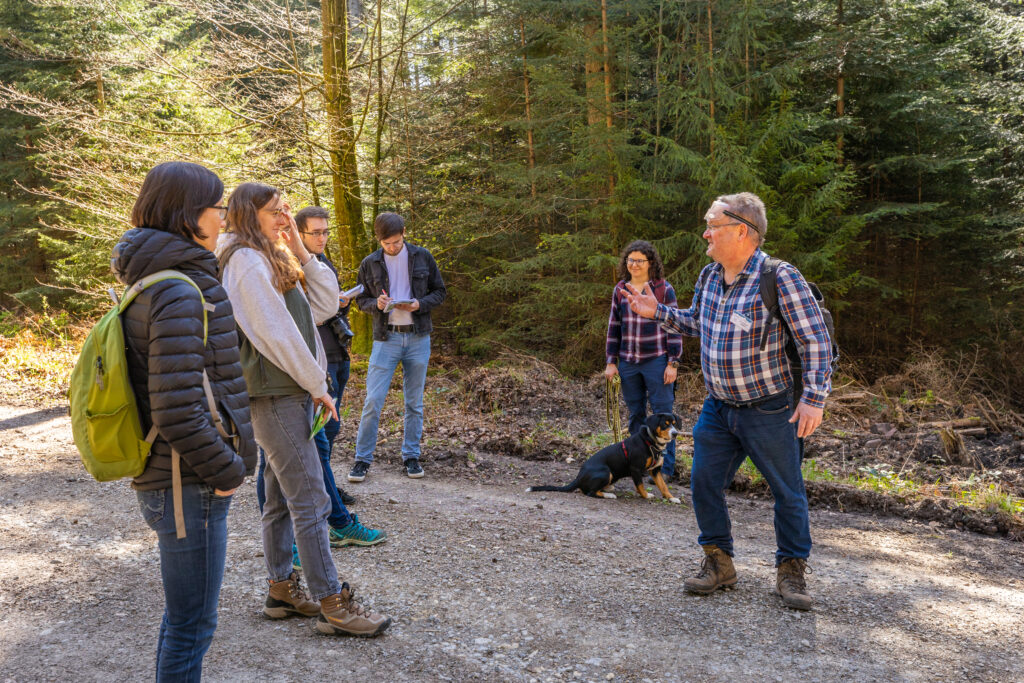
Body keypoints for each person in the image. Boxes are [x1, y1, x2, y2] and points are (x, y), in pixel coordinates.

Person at [625, 192, 833, 611]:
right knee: (703, 483)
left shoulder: (779, 277)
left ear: (742, 231)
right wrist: (658, 312)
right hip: (718, 407)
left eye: (712, 225)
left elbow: (816, 341)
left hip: (770, 409)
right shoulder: (709, 276)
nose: (705, 232)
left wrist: (813, 399)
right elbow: (698, 322)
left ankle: (791, 570)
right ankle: (719, 562)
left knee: (787, 491)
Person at [217, 182, 391, 637]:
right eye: (276, 212)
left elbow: (323, 304)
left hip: (286, 389)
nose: (284, 219)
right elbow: (273, 332)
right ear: (248, 214)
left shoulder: (270, 255)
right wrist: (318, 384)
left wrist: (299, 249)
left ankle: (281, 590)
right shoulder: (243, 261)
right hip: (274, 392)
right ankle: (333, 603)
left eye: (286, 211)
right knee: (311, 496)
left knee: (279, 495)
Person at [112, 161, 255, 681]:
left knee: (184, 621)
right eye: (216, 207)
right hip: (186, 479)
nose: (222, 218)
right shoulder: (177, 290)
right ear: (188, 214)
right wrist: (227, 472)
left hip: (179, 476)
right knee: (193, 624)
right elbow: (176, 407)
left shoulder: (161, 278)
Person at [348, 211, 446, 483]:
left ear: (403, 232)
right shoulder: (370, 263)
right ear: (379, 240)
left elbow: (440, 292)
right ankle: (362, 459)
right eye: (385, 243)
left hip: (417, 337)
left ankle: (411, 457)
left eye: (394, 242)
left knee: (414, 402)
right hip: (385, 338)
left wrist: (419, 304)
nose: (391, 247)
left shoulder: (422, 256)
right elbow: (361, 300)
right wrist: (375, 305)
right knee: (373, 401)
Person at [604, 240, 682, 480]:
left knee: (664, 414)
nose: (634, 264)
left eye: (639, 260)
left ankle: (665, 469)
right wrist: (611, 361)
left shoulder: (663, 289)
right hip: (628, 362)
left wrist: (673, 362)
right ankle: (637, 466)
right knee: (636, 415)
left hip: (657, 361)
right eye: (630, 260)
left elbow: (674, 325)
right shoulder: (620, 289)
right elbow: (614, 326)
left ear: (650, 263)